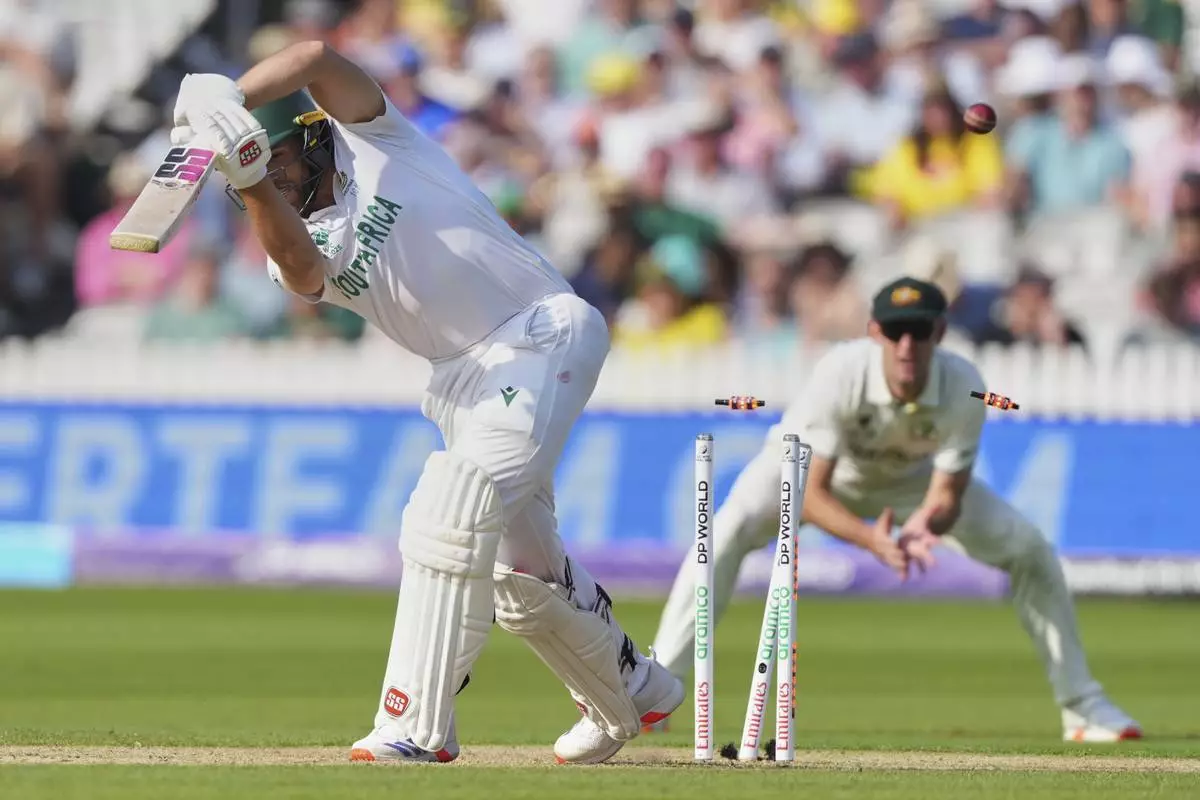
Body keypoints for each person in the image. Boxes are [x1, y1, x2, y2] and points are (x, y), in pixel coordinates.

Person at [168, 40, 683, 765]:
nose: (273, 177)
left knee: (451, 505)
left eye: (277, 159)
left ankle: (414, 725)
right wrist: (251, 180)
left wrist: (231, 100)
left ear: (311, 139)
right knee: (518, 579)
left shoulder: (377, 136)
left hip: (539, 331)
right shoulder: (288, 233)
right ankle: (633, 687)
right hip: (460, 384)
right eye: (257, 168)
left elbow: (317, 54)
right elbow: (302, 268)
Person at [650, 276, 1142, 743]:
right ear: (875, 333)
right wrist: (871, 542)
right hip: (799, 470)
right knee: (726, 529)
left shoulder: (964, 385)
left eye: (920, 331)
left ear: (940, 333)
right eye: (896, 332)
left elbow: (947, 494)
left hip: (911, 487)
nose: (907, 346)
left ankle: (1083, 707)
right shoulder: (841, 372)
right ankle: (659, 690)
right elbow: (810, 494)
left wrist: (928, 523)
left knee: (1030, 549)